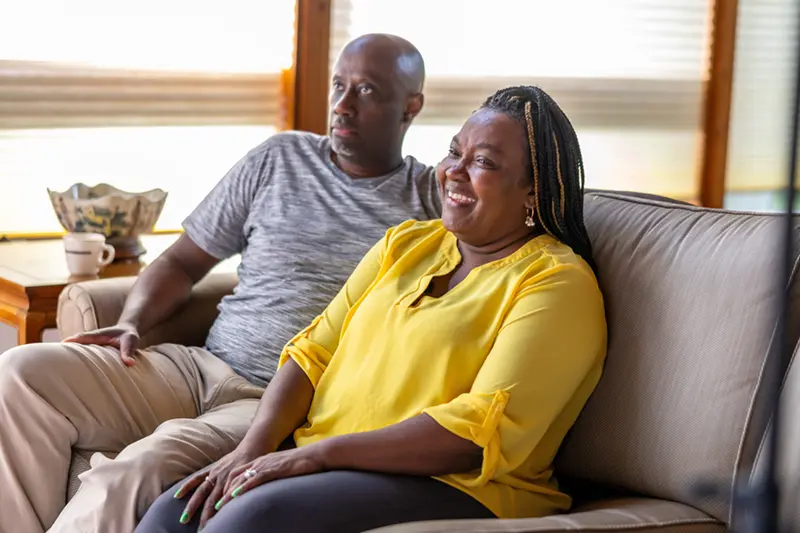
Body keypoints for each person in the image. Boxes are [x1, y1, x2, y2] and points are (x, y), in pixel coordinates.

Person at [0, 33, 440, 533]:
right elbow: (183, 262)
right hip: (195, 366)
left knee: (139, 469)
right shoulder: (280, 158)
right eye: (338, 85)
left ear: (411, 107)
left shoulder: (432, 203)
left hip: (279, 405)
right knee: (20, 372)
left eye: (366, 91)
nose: (341, 105)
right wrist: (131, 324)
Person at [136, 85, 608, 533]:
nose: (454, 171)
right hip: (331, 459)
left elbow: (473, 434)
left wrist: (315, 457)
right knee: (173, 512)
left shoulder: (555, 283)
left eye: (483, 161)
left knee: (247, 520)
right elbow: (313, 351)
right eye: (454, 152)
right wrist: (251, 449)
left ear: (533, 191)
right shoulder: (406, 244)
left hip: (461, 484)